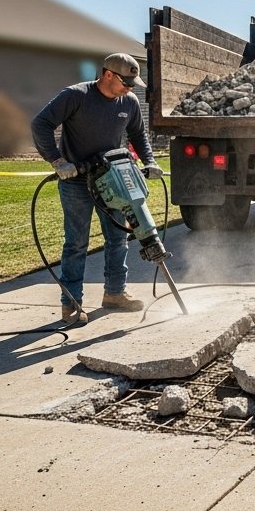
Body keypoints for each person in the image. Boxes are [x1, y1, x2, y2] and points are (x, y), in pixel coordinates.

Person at [32, 52, 164, 322]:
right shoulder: (76, 96)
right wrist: (57, 161)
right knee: (76, 243)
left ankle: (115, 293)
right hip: (77, 182)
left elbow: (138, 134)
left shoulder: (129, 101)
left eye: (132, 84)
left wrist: (149, 162)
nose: (129, 88)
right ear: (107, 75)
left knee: (118, 239)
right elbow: (40, 124)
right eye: (126, 82)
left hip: (113, 181)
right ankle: (72, 304)